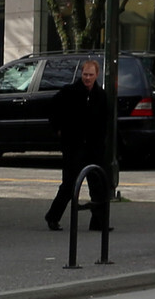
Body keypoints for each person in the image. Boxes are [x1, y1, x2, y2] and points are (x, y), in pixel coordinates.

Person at [46, 56, 113, 233]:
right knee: (69, 185)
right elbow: (52, 108)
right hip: (73, 146)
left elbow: (106, 121)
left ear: (97, 75)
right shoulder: (69, 92)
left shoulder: (101, 96)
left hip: (94, 147)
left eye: (91, 75)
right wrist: (58, 129)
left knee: (98, 185)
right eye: (85, 74)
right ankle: (53, 217)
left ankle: (98, 222)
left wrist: (102, 141)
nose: (87, 78)